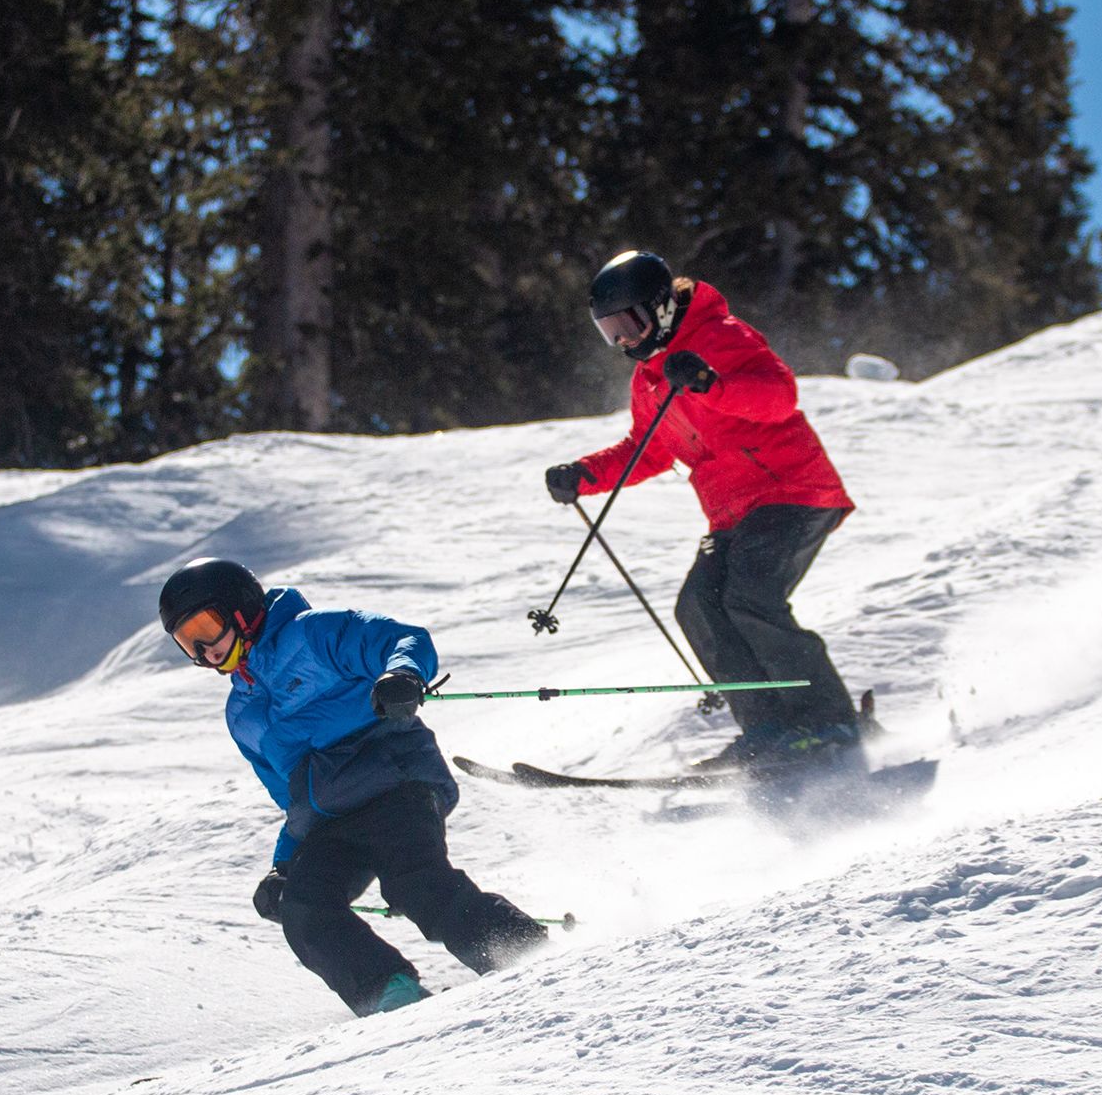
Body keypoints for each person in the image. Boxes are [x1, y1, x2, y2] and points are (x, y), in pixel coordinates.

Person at [158, 558, 550, 1017]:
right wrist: (284, 866)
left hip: (395, 782)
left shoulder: (311, 634)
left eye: (207, 627)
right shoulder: (242, 714)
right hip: (332, 821)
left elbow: (403, 638)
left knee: (414, 884)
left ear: (242, 609)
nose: (203, 650)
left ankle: (529, 958)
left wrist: (403, 675)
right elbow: (291, 796)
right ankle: (391, 997)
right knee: (304, 910)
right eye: (188, 642)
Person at [546, 250, 861, 773]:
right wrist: (584, 473)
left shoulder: (722, 336)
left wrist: (712, 384)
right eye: (610, 332)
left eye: (629, 324)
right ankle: (768, 731)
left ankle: (831, 722)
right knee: (699, 605)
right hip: (732, 512)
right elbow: (649, 447)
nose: (624, 340)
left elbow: (780, 397)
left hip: (792, 491)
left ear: (662, 307)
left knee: (751, 596)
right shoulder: (648, 376)